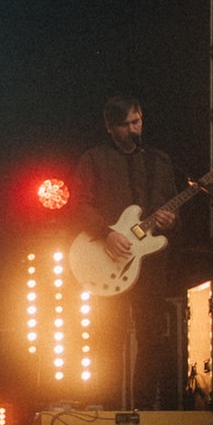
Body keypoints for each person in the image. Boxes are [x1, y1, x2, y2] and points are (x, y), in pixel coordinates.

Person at [71, 96, 182, 407]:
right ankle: (105, 408)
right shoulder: (94, 160)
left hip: (149, 263)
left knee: (152, 337)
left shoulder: (159, 161)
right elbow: (77, 205)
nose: (135, 129)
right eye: (126, 124)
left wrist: (170, 220)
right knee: (109, 338)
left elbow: (172, 207)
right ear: (110, 127)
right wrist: (106, 234)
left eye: (138, 121)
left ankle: (145, 410)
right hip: (107, 259)